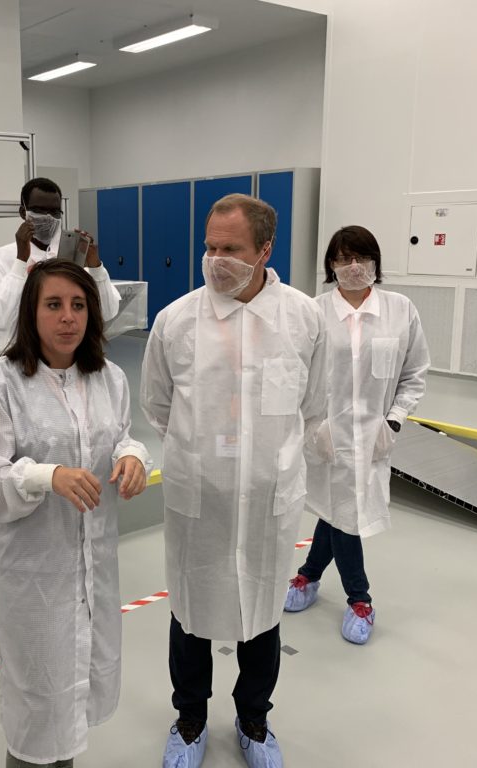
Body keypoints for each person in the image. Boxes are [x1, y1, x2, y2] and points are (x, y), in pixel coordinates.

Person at [141, 193, 328, 768]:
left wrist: (262, 460)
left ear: (265, 250)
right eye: (210, 247)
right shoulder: (176, 321)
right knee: (191, 612)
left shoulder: (303, 318)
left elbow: (314, 404)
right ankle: (190, 718)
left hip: (270, 499)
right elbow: (158, 406)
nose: (215, 260)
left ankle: (254, 719)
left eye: (231, 249)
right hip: (199, 498)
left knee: (262, 613)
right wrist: (207, 456)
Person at [0, 259, 152, 767]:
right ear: (31, 312)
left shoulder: (108, 378)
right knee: (38, 703)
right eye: (54, 304)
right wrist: (47, 476)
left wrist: (133, 457)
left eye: (79, 305)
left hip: (93, 565)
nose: (68, 317)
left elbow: (119, 435)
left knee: (75, 694)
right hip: (33, 572)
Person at [285, 225, 430, 644]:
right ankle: (355, 596)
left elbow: (415, 372)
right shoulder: (312, 312)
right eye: (343, 258)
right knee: (340, 511)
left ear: (375, 262)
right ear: (330, 264)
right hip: (325, 434)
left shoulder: (400, 310)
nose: (353, 266)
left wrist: (395, 419)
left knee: (341, 512)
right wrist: (311, 426)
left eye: (361, 257)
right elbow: (295, 375)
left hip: (373, 436)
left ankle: (318, 581)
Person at [0, 177, 122, 353]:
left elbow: (107, 312)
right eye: (39, 210)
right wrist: (20, 261)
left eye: (55, 212)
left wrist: (96, 267)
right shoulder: (0, 257)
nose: (48, 217)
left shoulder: (74, 254)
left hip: (68, 358)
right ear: (23, 212)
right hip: (21, 358)